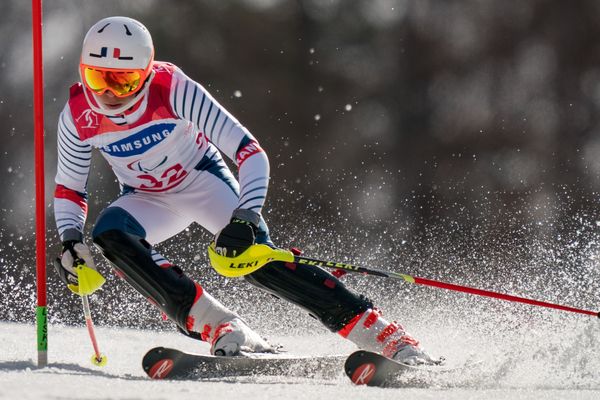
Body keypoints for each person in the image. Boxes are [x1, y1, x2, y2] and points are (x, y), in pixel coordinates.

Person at [53, 16, 438, 365]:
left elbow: (250, 152)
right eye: (98, 78)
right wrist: (71, 241)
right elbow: (70, 187)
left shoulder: (172, 89)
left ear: (147, 72)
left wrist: (246, 216)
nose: (110, 93)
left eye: (125, 81)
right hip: (147, 198)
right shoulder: (76, 115)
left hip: (201, 181)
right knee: (109, 235)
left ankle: (381, 333)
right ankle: (221, 326)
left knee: (256, 261)